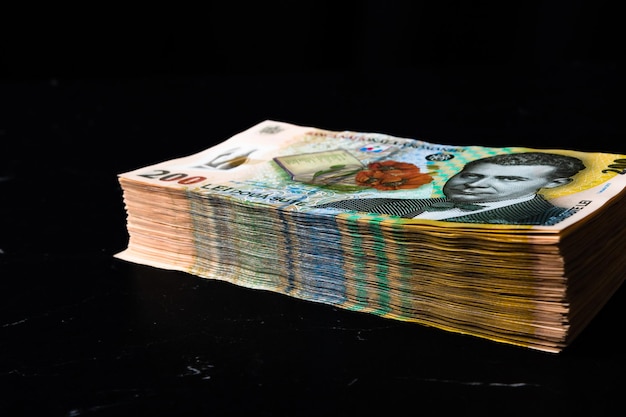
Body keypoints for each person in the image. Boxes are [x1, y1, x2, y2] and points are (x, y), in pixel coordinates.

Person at [313, 152, 586, 225]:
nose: (478, 185)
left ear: (554, 183)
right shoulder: (364, 204)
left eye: (509, 179)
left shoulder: (547, 223)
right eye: (471, 175)